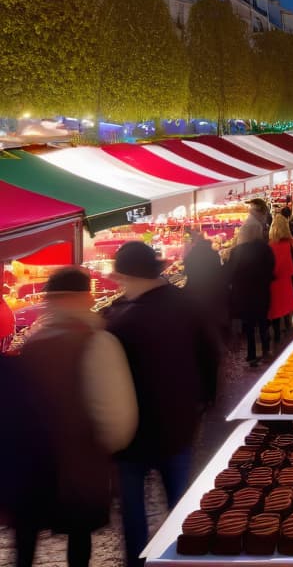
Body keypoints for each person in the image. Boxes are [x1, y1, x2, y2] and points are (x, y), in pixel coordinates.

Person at [105, 242, 220, 567]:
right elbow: (210, 355)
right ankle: (180, 557)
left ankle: (139, 562)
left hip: (133, 433)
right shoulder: (186, 305)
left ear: (129, 276)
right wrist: (203, 401)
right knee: (180, 505)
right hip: (178, 424)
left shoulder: (120, 323)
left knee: (133, 513)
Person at [15, 267, 137, 567]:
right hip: (81, 465)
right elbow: (116, 418)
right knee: (79, 540)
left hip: (36, 466)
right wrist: (107, 451)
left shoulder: (32, 345)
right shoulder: (98, 342)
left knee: (28, 537)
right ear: (84, 296)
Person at [228, 220, 275, 366]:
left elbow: (231, 273)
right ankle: (266, 350)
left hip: (244, 294)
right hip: (262, 292)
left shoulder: (237, 251)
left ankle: (252, 354)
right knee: (263, 322)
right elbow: (271, 268)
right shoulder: (266, 249)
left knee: (248, 325)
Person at [183, 229, 230, 342]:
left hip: (196, 291)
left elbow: (188, 273)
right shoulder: (213, 254)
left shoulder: (190, 255)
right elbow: (218, 272)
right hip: (212, 291)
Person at [267, 214, 293, 343]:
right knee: (287, 311)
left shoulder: (270, 246)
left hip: (274, 283)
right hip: (287, 282)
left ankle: (276, 337)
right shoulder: (291, 243)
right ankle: (289, 333)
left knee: (275, 312)